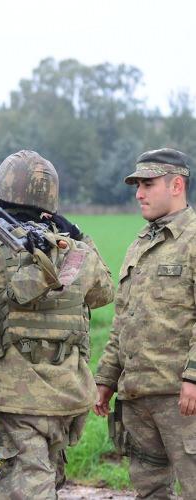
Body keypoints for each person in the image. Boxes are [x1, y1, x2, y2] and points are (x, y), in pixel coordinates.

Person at [0, 150, 114, 498]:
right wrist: (78, 235)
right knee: (46, 479)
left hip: (15, 398)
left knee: (23, 485)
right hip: (67, 394)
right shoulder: (76, 252)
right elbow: (104, 291)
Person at [94, 148, 196, 499]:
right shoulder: (140, 244)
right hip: (138, 395)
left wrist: (193, 377)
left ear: (176, 185)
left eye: (148, 184)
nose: (139, 194)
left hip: (181, 398)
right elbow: (124, 319)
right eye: (137, 185)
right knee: (149, 491)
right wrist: (107, 379)